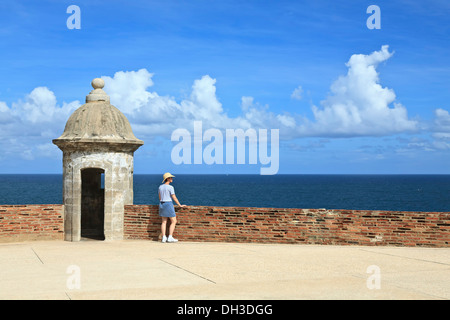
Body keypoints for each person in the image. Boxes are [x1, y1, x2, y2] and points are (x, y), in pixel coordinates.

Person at [158, 172, 186, 243]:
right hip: (168, 204)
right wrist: (179, 205)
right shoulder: (170, 187)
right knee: (174, 221)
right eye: (171, 177)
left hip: (161, 204)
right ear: (168, 179)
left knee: (164, 222)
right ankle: (170, 237)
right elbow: (174, 197)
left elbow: (160, 197)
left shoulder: (160, 187)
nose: (172, 179)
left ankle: (164, 237)